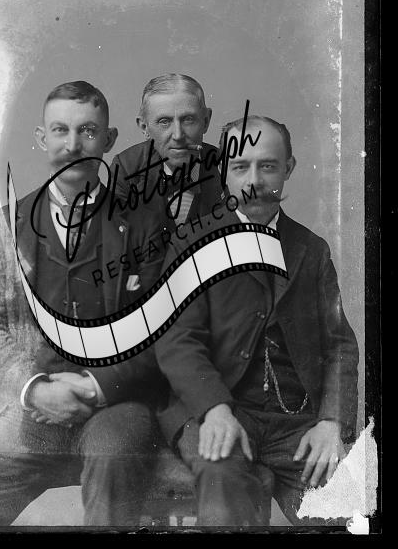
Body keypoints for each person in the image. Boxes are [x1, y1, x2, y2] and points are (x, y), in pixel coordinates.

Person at [0, 81, 166, 528]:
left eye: (88, 131)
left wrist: (95, 386)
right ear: (41, 138)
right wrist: (34, 387)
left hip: (117, 405)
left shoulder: (146, 223)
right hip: (30, 406)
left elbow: (162, 328)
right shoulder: (6, 224)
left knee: (115, 459)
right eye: (60, 130)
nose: (73, 145)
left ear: (109, 140)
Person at [154, 115, 359, 526]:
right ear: (222, 172)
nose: (255, 180)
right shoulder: (191, 243)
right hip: (214, 409)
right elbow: (178, 340)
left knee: (344, 509)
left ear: (288, 169)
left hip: (296, 424)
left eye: (267, 166)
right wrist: (214, 409)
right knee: (222, 477)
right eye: (240, 167)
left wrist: (331, 421)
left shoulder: (311, 249)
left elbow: (339, 344)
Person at [110, 74, 225, 234]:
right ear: (144, 127)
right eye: (164, 122)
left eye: (188, 119)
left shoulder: (227, 166)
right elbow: (118, 240)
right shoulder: (127, 168)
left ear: (205, 121)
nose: (178, 135)